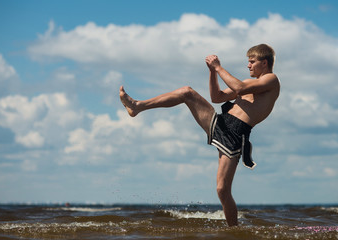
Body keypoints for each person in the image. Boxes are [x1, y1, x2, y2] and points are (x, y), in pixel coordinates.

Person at [119, 44, 280, 226]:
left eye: (251, 62)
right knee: (187, 92)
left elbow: (240, 88)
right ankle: (137, 106)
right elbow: (217, 97)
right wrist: (212, 72)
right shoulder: (249, 82)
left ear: (264, 63)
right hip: (221, 122)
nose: (248, 65)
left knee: (222, 189)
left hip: (235, 134)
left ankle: (234, 230)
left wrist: (219, 67)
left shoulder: (271, 80)